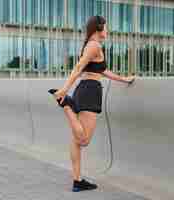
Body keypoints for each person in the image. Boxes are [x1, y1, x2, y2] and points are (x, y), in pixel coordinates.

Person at [48, 16, 135, 192]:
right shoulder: (94, 46)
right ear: (98, 29)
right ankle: (66, 105)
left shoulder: (90, 45)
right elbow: (78, 68)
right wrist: (64, 90)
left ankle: (77, 180)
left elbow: (102, 70)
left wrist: (124, 79)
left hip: (83, 89)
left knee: (76, 142)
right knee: (84, 139)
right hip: (90, 91)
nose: (108, 31)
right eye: (106, 28)